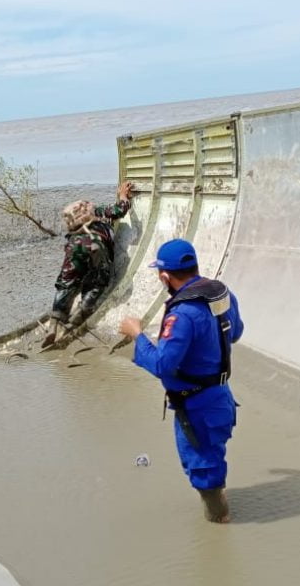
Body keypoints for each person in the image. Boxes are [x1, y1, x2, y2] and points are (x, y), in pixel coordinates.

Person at [117, 239, 244, 523]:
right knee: (211, 457)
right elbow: (235, 333)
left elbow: (162, 364)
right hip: (221, 398)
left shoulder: (183, 314)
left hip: (197, 408)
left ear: (165, 276)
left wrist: (137, 334)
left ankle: (219, 521)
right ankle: (219, 504)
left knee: (203, 471)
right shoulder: (220, 294)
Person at [43, 180, 136, 347]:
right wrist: (123, 197)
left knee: (66, 282)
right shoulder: (100, 212)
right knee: (97, 282)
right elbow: (119, 210)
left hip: (74, 246)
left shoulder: (75, 227)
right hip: (94, 245)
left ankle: (54, 323)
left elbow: (66, 279)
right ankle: (75, 320)